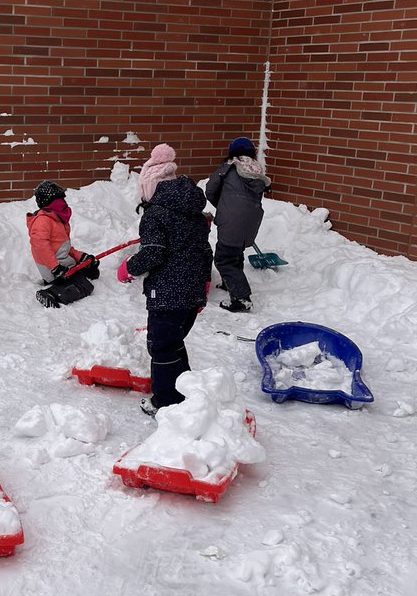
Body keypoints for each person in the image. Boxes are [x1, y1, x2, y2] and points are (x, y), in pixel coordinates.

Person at [117, 174, 211, 415]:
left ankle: (165, 401)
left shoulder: (155, 215)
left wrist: (128, 268)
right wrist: (205, 284)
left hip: (167, 294)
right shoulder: (197, 218)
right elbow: (205, 252)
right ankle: (186, 390)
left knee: (161, 347)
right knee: (174, 342)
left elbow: (153, 253)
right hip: (192, 293)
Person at [205, 136, 270, 313]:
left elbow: (210, 190)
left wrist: (225, 206)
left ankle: (242, 298)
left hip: (232, 220)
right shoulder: (257, 171)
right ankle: (230, 284)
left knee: (223, 259)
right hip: (251, 221)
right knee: (235, 253)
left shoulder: (228, 167)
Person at [26, 181, 99, 309]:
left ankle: (77, 274)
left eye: (63, 199)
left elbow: (64, 248)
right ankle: (51, 294)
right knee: (84, 286)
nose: (63, 203)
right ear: (49, 203)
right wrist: (55, 268)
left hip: (62, 262)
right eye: (59, 200)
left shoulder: (58, 219)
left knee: (89, 271)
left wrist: (82, 258)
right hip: (53, 267)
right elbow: (40, 247)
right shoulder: (43, 221)